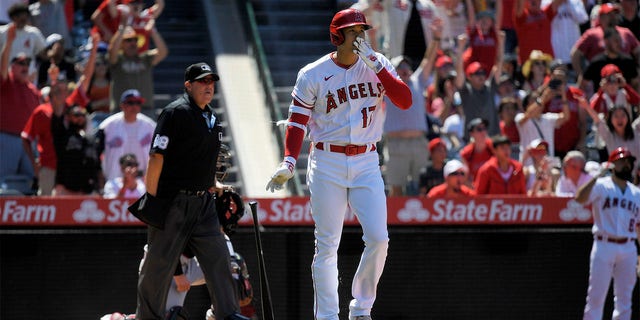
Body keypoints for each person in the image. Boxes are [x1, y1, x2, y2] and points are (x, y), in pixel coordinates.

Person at [265, 8, 412, 320]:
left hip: (367, 160)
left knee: (379, 239)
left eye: (362, 30)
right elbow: (296, 122)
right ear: (337, 37)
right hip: (327, 160)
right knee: (327, 244)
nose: (360, 37)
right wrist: (289, 161)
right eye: (353, 31)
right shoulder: (313, 73)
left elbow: (405, 100)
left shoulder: (378, 63)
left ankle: (361, 308)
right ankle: (327, 316)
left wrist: (377, 65)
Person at [133, 62, 248, 320]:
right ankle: (147, 317)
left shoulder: (212, 117)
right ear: (188, 85)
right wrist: (152, 201)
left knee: (219, 258)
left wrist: (217, 187)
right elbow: (156, 157)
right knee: (158, 267)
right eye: (202, 81)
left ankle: (227, 314)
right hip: (173, 201)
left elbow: (202, 161)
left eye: (211, 81)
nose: (208, 86)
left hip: (203, 204)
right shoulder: (175, 113)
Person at [575, 147, 640, 320]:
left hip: (628, 247)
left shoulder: (636, 193)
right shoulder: (601, 186)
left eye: (628, 162)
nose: (626, 165)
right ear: (612, 165)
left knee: (624, 301)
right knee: (596, 298)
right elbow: (579, 198)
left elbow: (639, 226)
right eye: (621, 161)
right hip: (604, 244)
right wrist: (597, 175)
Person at [383, 20, 441, 196]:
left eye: (407, 65)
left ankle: (422, 223)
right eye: (400, 67)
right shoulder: (386, 85)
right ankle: (395, 223)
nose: (405, 68)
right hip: (396, 143)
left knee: (422, 185)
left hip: (418, 142)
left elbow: (427, 60)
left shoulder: (417, 81)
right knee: (396, 187)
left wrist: (436, 38)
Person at [96, 89, 156, 182]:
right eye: (131, 103)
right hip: (114, 179)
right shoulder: (108, 125)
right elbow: (97, 152)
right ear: (122, 105)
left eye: (138, 103)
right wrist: (100, 174)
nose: (134, 106)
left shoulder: (150, 126)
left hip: (143, 179)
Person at [108, 22, 168, 115]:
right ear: (121, 44)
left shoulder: (145, 58)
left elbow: (163, 52)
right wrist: (121, 31)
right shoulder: (118, 59)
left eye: (135, 40)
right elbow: (112, 51)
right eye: (128, 40)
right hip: (121, 110)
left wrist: (153, 32)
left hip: (145, 109)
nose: (133, 43)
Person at [454, 31, 505, 140]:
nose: (481, 76)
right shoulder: (466, 91)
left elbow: (499, 63)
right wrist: (460, 47)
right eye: (477, 73)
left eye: (483, 73)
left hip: (492, 139)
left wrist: (501, 43)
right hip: (472, 141)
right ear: (469, 77)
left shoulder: (490, 87)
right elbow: (459, 70)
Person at [459, 118, 494, 184]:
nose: (483, 132)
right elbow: (465, 178)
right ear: (472, 133)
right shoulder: (466, 153)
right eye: (479, 129)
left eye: (484, 128)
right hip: (475, 189)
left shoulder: (493, 148)